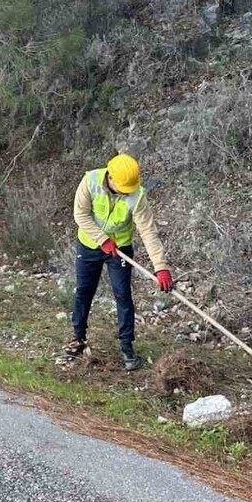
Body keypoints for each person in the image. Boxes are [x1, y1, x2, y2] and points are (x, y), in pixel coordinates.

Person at [58, 153, 172, 372]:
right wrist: (102, 240)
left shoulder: (136, 196)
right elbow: (80, 215)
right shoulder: (90, 181)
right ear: (110, 177)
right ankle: (77, 338)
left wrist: (161, 267)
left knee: (122, 294)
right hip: (89, 246)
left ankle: (127, 346)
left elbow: (148, 231)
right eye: (123, 188)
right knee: (84, 291)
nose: (126, 192)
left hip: (119, 251)